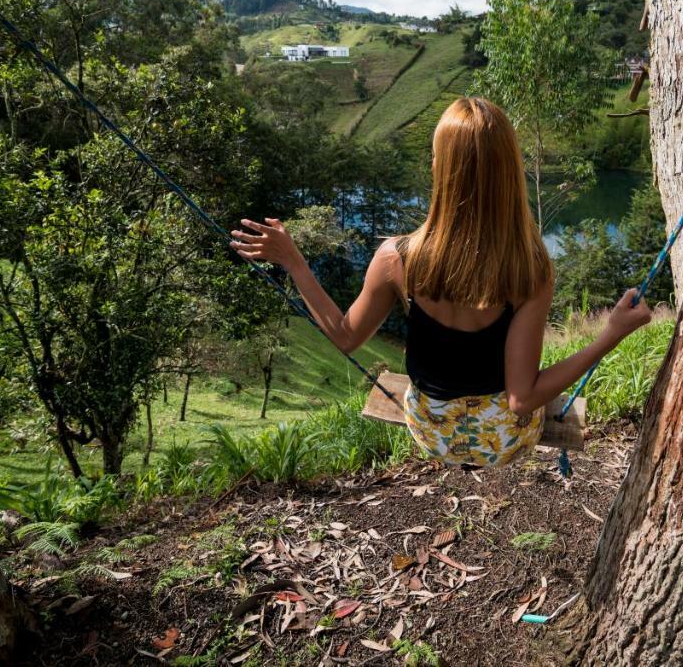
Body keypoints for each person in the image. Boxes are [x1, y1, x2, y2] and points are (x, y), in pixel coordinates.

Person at [229, 97, 652, 467]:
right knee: (524, 405)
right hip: (505, 444)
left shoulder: (397, 258)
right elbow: (523, 399)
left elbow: (345, 337)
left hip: (430, 436)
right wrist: (610, 333)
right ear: (509, 172)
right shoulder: (530, 268)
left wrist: (295, 262)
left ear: (441, 168)